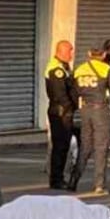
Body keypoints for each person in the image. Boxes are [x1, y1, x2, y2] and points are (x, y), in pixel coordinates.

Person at [68, 45, 110, 195]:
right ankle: (99, 185)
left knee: (85, 146)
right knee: (101, 147)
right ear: (103, 55)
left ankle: (73, 181)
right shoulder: (106, 69)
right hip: (100, 110)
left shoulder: (79, 69)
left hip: (85, 110)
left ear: (89, 54)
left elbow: (73, 91)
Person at [45, 40, 78, 190]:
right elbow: (60, 94)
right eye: (69, 51)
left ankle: (59, 177)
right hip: (60, 112)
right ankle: (56, 179)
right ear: (61, 51)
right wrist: (69, 107)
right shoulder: (56, 69)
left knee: (63, 146)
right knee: (60, 146)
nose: (72, 54)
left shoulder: (63, 67)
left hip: (63, 111)